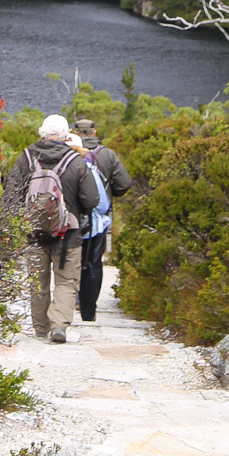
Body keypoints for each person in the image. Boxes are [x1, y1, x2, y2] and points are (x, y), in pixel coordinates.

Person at [4, 113, 102, 343]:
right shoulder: (75, 161)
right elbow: (91, 199)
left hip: (34, 232)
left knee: (38, 282)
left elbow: (10, 196)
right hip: (68, 233)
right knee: (67, 281)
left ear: (42, 133)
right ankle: (59, 326)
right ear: (66, 135)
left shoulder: (26, 158)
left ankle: (40, 328)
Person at [71, 117, 133, 322]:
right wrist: (110, 194)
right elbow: (124, 182)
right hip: (99, 218)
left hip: (72, 217)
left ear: (75, 133)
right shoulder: (108, 155)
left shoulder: (69, 154)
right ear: (94, 133)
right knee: (94, 262)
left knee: (72, 260)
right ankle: (90, 309)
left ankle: (73, 301)